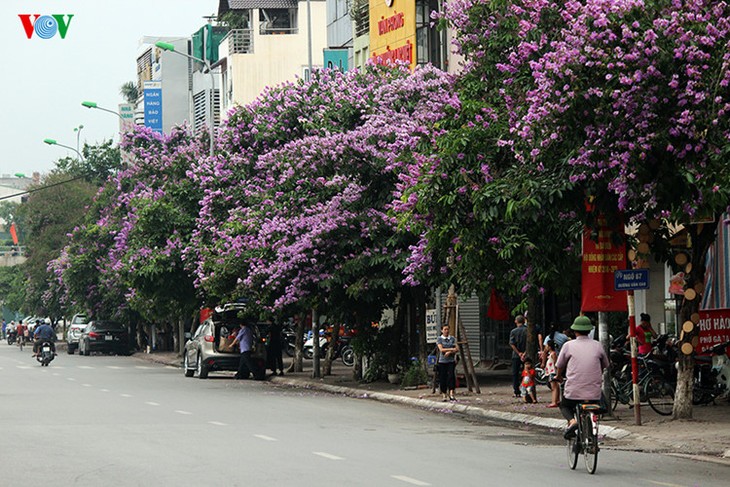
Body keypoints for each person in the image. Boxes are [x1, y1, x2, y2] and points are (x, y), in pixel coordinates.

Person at [555, 315, 609, 439]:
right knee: (593, 404)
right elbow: (605, 365)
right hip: (593, 393)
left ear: (574, 331)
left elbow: (560, 365)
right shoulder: (597, 345)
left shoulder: (568, 345)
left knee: (564, 405)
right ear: (589, 330)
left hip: (574, 391)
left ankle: (572, 422)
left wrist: (558, 376)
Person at [436, 324, 459, 402]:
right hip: (442, 361)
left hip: (451, 361)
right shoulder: (439, 339)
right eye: (445, 329)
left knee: (451, 377)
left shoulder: (452, 338)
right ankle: (444, 394)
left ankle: (452, 394)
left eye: (447, 329)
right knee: (443, 378)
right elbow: (441, 349)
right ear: (442, 330)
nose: (446, 331)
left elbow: (457, 348)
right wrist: (451, 349)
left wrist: (449, 351)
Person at [509, 315, 527, 398]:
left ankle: (516, 391)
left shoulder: (513, 331)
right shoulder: (527, 331)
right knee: (526, 373)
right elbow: (530, 343)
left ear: (516, 321)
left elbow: (512, 344)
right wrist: (524, 353)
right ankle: (526, 390)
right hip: (526, 355)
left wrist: (518, 353)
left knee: (515, 373)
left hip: (516, 355)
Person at [544, 339, 560, 408]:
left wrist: (557, 373)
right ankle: (557, 400)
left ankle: (554, 401)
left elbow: (556, 363)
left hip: (552, 372)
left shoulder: (553, 354)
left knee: (554, 387)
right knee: (554, 387)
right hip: (550, 371)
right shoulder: (550, 354)